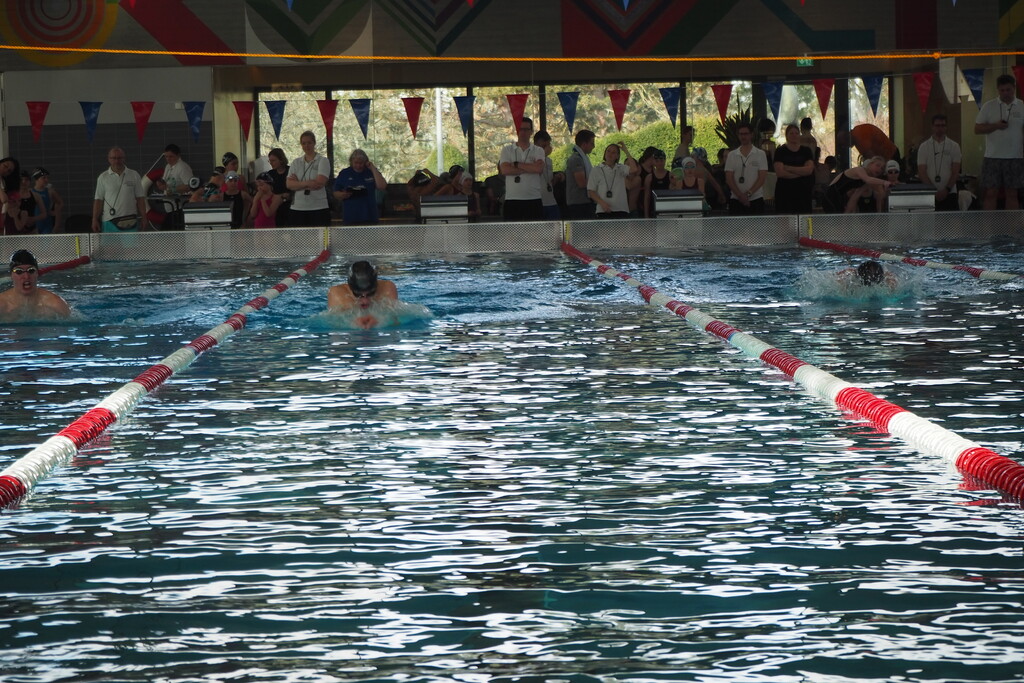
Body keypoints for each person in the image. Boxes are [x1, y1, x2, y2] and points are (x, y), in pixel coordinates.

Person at [974, 74, 1023, 210]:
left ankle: (1011, 224)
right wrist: (995, 126)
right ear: (998, 90)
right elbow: (977, 129)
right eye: (1002, 90)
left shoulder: (1022, 106)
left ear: (1014, 88)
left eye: (1008, 90)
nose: (1005, 93)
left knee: (1012, 194)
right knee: (990, 193)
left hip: (1015, 157)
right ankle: (990, 224)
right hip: (992, 157)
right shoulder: (988, 106)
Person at [0, 250, 71, 322]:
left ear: (37, 273)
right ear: (11, 275)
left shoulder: (56, 305)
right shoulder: (2, 304)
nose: (26, 276)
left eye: (31, 270)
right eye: (19, 271)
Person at [326, 261, 399, 329]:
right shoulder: (337, 295)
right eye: (358, 295)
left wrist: (380, 321)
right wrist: (352, 324)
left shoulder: (387, 289)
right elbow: (334, 326)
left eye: (370, 293)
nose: (365, 301)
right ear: (350, 288)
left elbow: (395, 322)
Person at [92, 147, 149, 233]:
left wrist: (144, 217)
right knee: (109, 243)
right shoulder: (103, 177)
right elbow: (98, 200)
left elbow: (140, 198)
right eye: (113, 158)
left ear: (124, 159)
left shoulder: (134, 175)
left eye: (119, 158)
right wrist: (94, 219)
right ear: (109, 159)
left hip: (130, 221)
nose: (116, 161)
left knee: (131, 243)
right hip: (109, 221)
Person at [499, 116, 546, 220]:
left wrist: (516, 164)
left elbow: (538, 169)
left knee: (535, 230)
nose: (523, 132)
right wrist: (530, 167)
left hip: (533, 198)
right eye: (520, 129)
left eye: (526, 129)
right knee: (512, 230)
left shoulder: (538, 150)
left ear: (531, 132)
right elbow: (505, 170)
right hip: (512, 199)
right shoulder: (507, 150)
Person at [916, 114, 962, 211]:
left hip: (950, 193)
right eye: (937, 125)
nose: (940, 128)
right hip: (929, 193)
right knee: (930, 220)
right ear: (932, 127)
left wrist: (947, 189)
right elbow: (922, 171)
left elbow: (955, 171)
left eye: (943, 125)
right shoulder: (924, 147)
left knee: (951, 220)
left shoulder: (954, 146)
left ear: (946, 127)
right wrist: (932, 190)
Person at [287, 130, 331, 226]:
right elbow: (289, 184)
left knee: (321, 235)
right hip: (298, 207)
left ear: (314, 143)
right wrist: (308, 183)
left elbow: (319, 183)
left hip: (318, 207)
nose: (306, 146)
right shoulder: (296, 162)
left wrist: (298, 184)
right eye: (304, 143)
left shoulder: (322, 160)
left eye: (309, 143)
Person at [332, 148, 386, 225]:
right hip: (350, 216)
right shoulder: (345, 173)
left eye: (361, 163)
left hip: (369, 215)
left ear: (365, 162)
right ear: (351, 162)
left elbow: (382, 186)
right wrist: (342, 195)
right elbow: (335, 192)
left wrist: (373, 168)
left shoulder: (371, 172)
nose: (358, 165)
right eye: (356, 163)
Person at [725, 123, 769, 215]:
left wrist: (748, 194)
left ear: (751, 134)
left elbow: (762, 178)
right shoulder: (732, 155)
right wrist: (740, 196)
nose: (743, 136)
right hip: (736, 199)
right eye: (741, 134)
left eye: (745, 134)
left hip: (756, 199)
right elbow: (729, 178)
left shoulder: (760, 154)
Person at [823, 156, 893, 214]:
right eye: (877, 165)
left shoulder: (866, 181)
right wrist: (884, 182)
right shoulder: (859, 170)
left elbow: (855, 196)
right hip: (830, 195)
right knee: (835, 222)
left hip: (840, 198)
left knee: (841, 222)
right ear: (870, 164)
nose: (879, 169)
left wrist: (846, 213)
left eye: (882, 168)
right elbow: (868, 179)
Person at [587, 142, 638, 218]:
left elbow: (634, 169)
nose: (610, 154)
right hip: (603, 210)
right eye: (608, 151)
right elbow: (591, 191)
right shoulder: (596, 169)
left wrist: (626, 151)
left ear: (617, 156)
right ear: (605, 153)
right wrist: (602, 203)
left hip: (621, 209)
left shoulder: (621, 168)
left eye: (613, 152)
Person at [773, 123, 815, 214]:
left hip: (803, 191)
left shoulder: (806, 151)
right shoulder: (780, 151)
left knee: (805, 218)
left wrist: (788, 168)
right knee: (785, 218)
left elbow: (809, 170)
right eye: (791, 133)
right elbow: (780, 173)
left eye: (796, 133)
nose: (794, 135)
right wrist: (801, 172)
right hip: (785, 191)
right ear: (787, 135)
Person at [564, 129, 596, 219]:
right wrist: (598, 182)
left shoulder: (583, 158)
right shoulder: (576, 159)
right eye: (592, 143)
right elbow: (581, 183)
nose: (594, 146)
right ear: (584, 144)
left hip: (585, 201)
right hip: (578, 203)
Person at [533, 130, 561, 220]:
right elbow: (536, 174)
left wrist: (556, 178)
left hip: (550, 200)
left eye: (548, 145)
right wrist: (543, 154)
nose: (546, 148)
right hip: (538, 200)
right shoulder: (531, 158)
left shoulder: (549, 160)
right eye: (543, 146)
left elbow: (548, 180)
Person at [30, 167, 63, 235]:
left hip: (47, 224)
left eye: (47, 178)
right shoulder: (30, 192)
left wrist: (55, 212)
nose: (46, 180)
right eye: (44, 178)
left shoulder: (50, 191)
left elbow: (60, 203)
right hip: (34, 224)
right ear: (37, 179)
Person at [265, 148, 291, 226]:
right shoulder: (270, 174)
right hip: (275, 206)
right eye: (270, 161)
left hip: (289, 205)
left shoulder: (290, 171)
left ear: (281, 160)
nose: (271, 163)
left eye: (273, 161)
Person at [642, 148, 670, 217]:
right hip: (653, 210)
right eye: (657, 161)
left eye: (661, 160)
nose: (659, 163)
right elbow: (647, 198)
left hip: (667, 210)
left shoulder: (670, 176)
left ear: (665, 160)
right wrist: (646, 216)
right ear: (653, 161)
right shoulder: (649, 177)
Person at [1, 156, 24, 236]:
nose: (6, 170)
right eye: (5, 166)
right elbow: (4, 199)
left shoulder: (3, 183)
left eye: (9, 171)